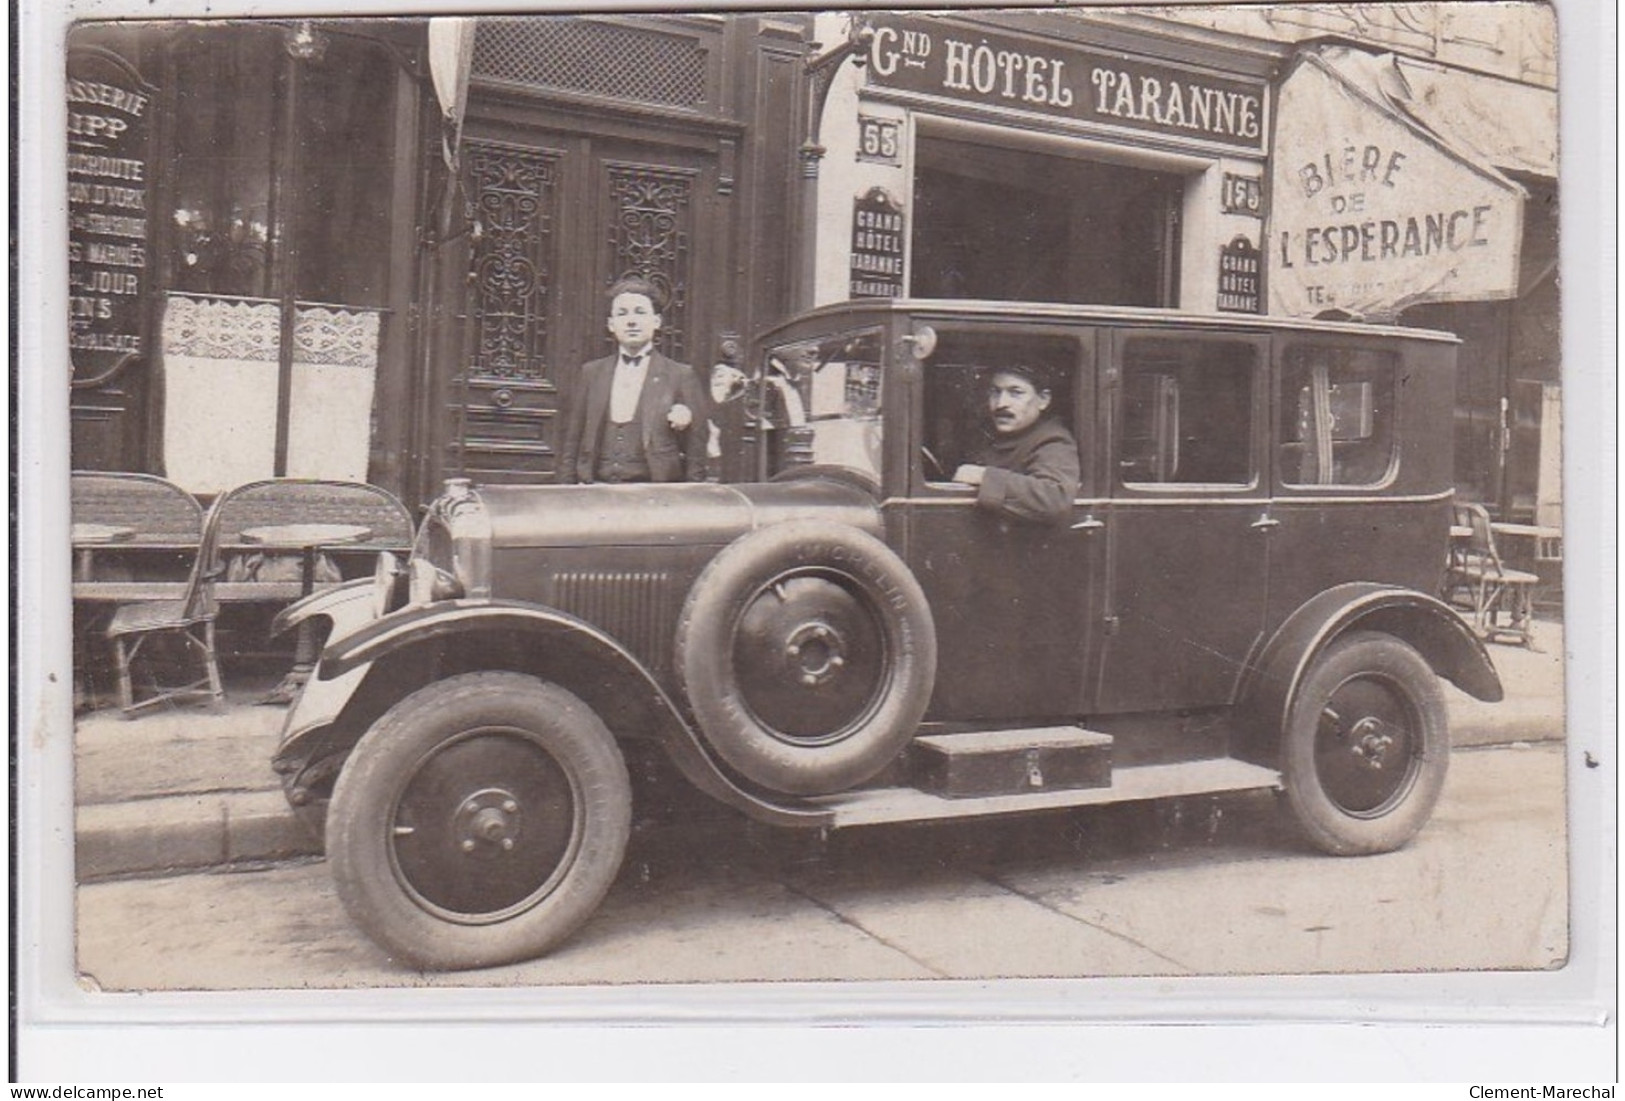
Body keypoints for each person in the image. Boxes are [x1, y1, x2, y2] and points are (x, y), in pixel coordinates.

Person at [559, 276, 706, 483]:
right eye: (622, 313)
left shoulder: (680, 375)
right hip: (596, 492)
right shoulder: (591, 373)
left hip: (653, 497)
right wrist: (567, 492)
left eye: (640, 312)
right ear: (611, 324)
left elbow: (696, 449)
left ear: (656, 321)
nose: (631, 321)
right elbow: (572, 441)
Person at [952, 365, 1080, 526]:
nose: (1001, 404)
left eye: (1015, 393)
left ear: (1043, 400)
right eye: (995, 392)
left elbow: (1054, 498)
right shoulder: (987, 434)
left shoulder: (1053, 440)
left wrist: (983, 476)